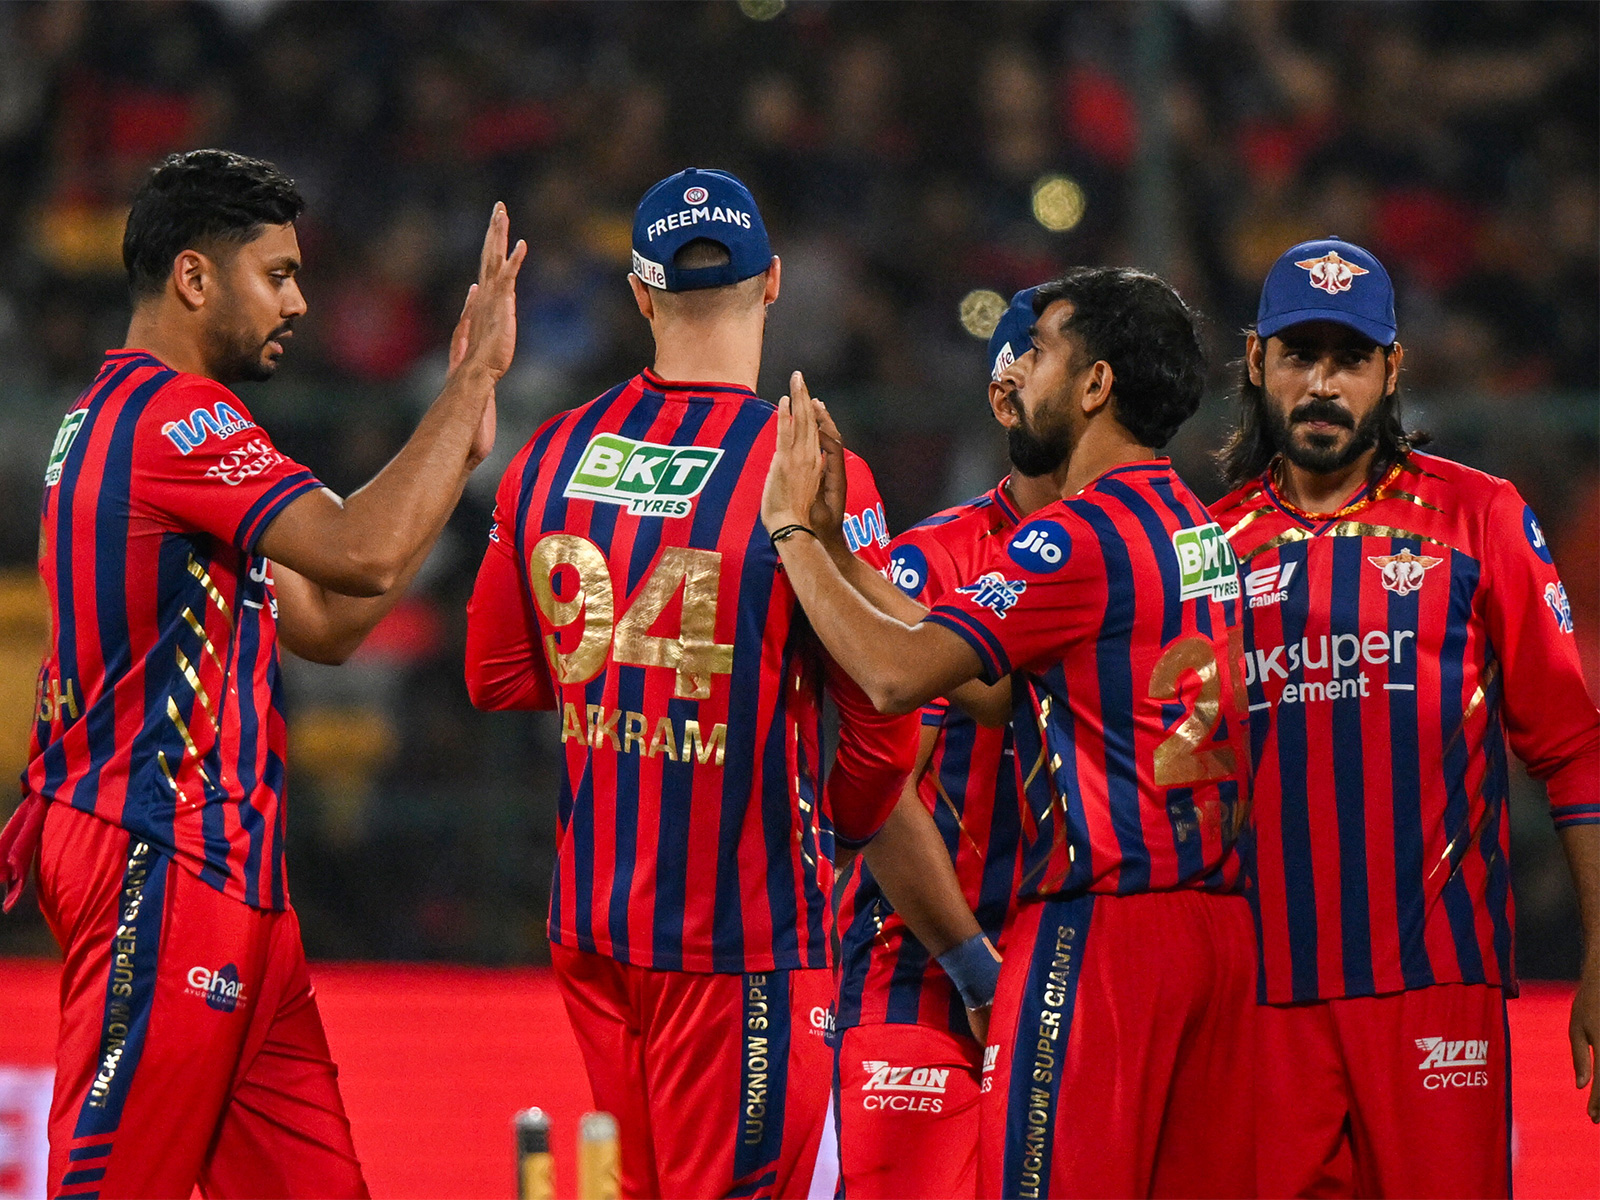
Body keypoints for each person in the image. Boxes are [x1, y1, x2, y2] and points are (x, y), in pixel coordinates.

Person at [0, 149, 525, 1197]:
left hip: (229, 879)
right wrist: (467, 385)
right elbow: (361, 552)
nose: (298, 302)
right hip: (164, 856)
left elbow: (328, 622)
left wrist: (460, 450)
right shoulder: (180, 420)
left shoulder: (124, 420)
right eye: (277, 275)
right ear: (195, 277)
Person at [463, 168, 974, 1200]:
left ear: (639, 294)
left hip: (592, 926)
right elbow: (883, 721)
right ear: (773, 282)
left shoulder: (550, 451)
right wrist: (838, 825)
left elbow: (497, 675)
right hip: (743, 944)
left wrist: (629, 691)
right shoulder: (810, 468)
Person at [761, 267, 1257, 1199]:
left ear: (1096, 384)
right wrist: (845, 560)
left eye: (1040, 350)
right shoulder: (1195, 529)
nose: (1016, 370)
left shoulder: (1076, 536)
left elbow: (893, 675)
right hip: (1217, 930)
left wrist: (792, 534)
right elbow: (995, 693)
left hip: (1104, 930)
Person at [1209, 236, 1600, 1198]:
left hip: (1436, 991)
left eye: (1350, 358)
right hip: (1260, 1000)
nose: (1323, 385)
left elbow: (1573, 750)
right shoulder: (1205, 549)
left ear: (1393, 370)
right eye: (1301, 356)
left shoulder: (1481, 517)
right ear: (1256, 361)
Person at [829, 287, 1053, 1199]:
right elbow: (884, 789)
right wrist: (975, 968)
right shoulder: (933, 565)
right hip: (922, 973)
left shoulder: (1156, 551)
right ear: (1007, 398)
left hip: (1078, 968)